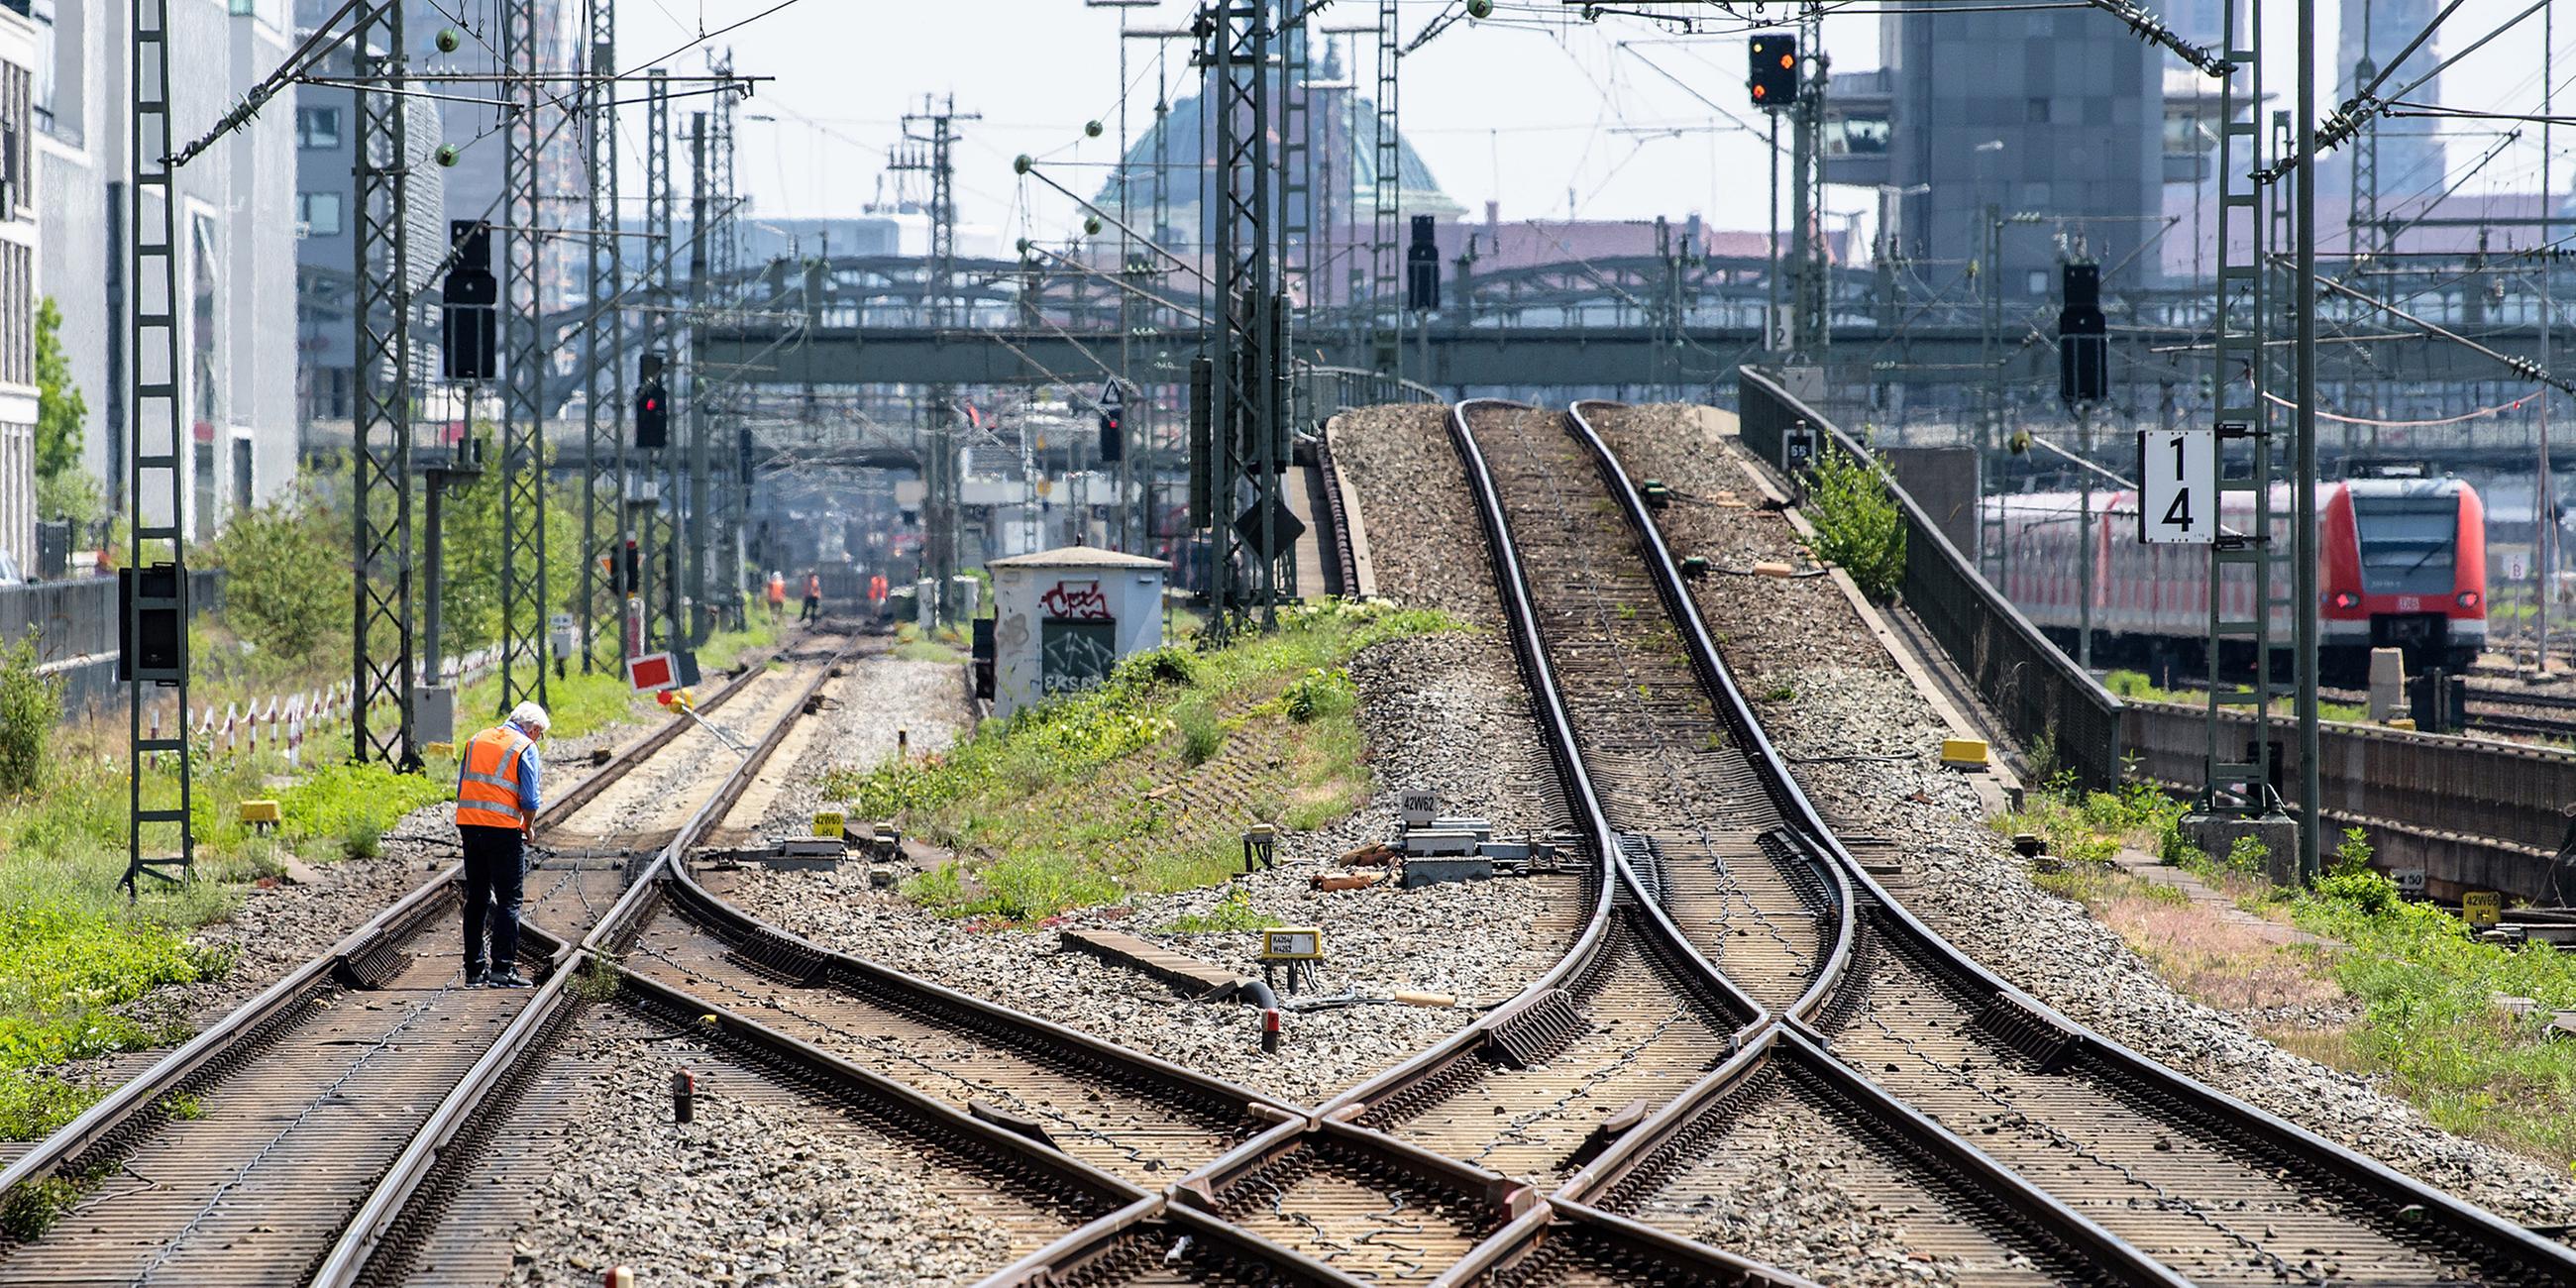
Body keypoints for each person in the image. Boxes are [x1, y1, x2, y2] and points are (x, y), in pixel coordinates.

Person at [455, 701, 548, 988]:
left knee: (478, 897)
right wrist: (528, 826)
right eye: (540, 734)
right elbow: (529, 800)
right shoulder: (524, 747)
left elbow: (461, 785)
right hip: (503, 830)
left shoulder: (476, 739)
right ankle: (502, 969)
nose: (539, 740)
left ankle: (473, 970)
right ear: (532, 729)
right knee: (509, 900)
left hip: (469, 824)